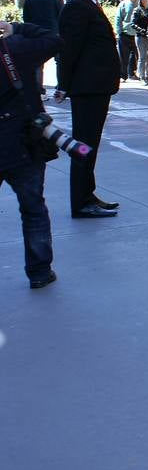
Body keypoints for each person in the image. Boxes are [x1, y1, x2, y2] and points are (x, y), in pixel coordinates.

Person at [55, 0, 121, 218]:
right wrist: (63, 84)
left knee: (89, 144)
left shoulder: (89, 4)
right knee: (83, 145)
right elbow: (68, 50)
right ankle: (81, 201)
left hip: (97, 86)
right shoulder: (76, 7)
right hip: (87, 88)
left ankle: (87, 193)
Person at [0, 18, 63, 287]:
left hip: (19, 139)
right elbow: (54, 39)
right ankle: (39, 272)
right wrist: (18, 27)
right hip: (23, 141)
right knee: (33, 208)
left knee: (33, 208)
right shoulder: (15, 48)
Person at [21, 0, 63, 91]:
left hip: (35, 33)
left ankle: (37, 87)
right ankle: (61, 85)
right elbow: (62, 14)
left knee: (38, 62)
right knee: (59, 61)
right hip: (54, 33)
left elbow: (26, 17)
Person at [114, 0, 139, 80]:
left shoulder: (139, 4)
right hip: (125, 33)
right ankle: (122, 75)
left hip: (136, 34)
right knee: (123, 55)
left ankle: (131, 74)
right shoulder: (123, 4)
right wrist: (118, 31)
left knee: (134, 55)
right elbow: (118, 18)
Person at [131, 0, 148, 84]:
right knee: (142, 56)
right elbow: (133, 24)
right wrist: (142, 31)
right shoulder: (137, 10)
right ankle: (142, 76)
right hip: (141, 36)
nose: (145, 0)